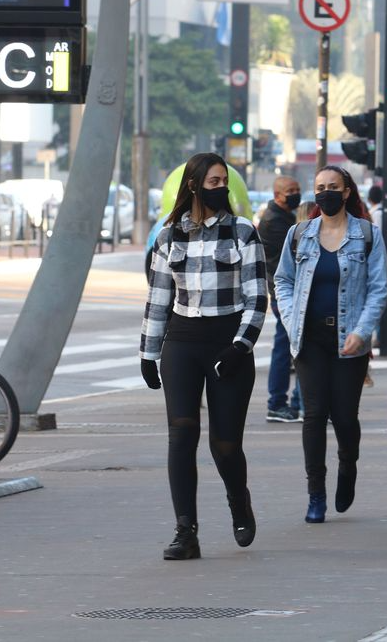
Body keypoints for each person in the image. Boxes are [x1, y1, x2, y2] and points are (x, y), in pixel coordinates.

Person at [139, 152, 268, 560]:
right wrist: (148, 352)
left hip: (227, 343)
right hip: (181, 342)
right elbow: (158, 299)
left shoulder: (242, 233)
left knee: (224, 445)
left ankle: (238, 500)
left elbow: (257, 299)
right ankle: (185, 532)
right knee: (181, 434)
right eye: (213, 182)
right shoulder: (168, 236)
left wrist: (240, 345)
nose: (221, 189)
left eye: (223, 181)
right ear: (193, 185)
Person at [274, 166, 387, 523]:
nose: (326, 193)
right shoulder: (299, 234)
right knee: (314, 414)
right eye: (320, 188)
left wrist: (363, 330)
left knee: (344, 417)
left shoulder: (367, 235)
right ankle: (315, 493)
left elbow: (379, 288)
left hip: (349, 341)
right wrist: (292, 319)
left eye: (333, 187)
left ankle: (348, 466)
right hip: (309, 339)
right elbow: (283, 281)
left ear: (347, 191)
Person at [257, 175, 303, 423]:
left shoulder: (284, 217)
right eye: (290, 190)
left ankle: (293, 402)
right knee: (285, 348)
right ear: (277, 195)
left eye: (297, 188)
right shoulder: (275, 221)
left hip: (286, 292)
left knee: (289, 347)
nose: (296, 193)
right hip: (284, 294)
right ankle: (277, 403)